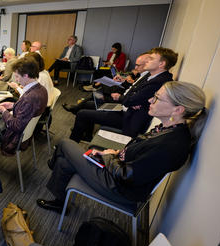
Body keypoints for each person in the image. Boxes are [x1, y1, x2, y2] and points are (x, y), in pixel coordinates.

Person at [37, 81, 207, 213]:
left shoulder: (171, 145)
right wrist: (113, 153)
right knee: (65, 162)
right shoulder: (170, 130)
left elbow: (127, 176)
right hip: (117, 171)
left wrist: (108, 155)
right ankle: (60, 201)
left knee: (65, 144)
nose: (150, 100)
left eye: (157, 98)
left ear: (178, 110)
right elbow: (138, 155)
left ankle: (54, 163)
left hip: (119, 187)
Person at [69, 47, 176, 141]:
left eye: (151, 59)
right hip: (126, 110)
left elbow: (130, 99)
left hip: (128, 119)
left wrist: (131, 100)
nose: (148, 60)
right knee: (91, 105)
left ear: (162, 64)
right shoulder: (152, 75)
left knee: (82, 113)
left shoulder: (159, 81)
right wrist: (131, 100)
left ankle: (71, 144)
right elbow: (132, 93)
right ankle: (86, 136)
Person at [0, 58, 48, 155]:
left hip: (11, 133)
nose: (17, 80)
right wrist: (12, 105)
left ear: (26, 76)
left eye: (17, 76)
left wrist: (4, 111)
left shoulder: (31, 97)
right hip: (14, 124)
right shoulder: (41, 89)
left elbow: (16, 126)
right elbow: (27, 110)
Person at [63, 53, 149, 114]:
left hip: (120, 96)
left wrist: (130, 81)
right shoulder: (143, 75)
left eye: (138, 65)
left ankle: (79, 106)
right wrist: (124, 79)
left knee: (98, 91)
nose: (135, 67)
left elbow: (133, 89)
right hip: (122, 89)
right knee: (97, 92)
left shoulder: (147, 77)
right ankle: (80, 105)